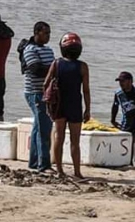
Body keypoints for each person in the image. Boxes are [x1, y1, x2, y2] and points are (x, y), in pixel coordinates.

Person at [44, 33, 90, 178]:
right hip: (75, 105)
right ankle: (77, 172)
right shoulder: (82, 67)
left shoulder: (56, 63)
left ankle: (59, 171)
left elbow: (46, 84)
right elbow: (86, 90)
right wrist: (88, 109)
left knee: (59, 137)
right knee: (75, 141)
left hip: (59, 105)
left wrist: (48, 103)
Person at [23, 22, 55, 172]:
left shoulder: (48, 50)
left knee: (38, 127)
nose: (48, 36)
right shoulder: (29, 49)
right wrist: (54, 69)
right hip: (35, 92)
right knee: (44, 129)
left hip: (46, 93)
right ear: (37, 32)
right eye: (45, 33)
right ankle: (44, 164)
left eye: (49, 33)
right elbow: (36, 69)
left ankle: (34, 162)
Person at [111, 72, 135, 137]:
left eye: (123, 81)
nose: (121, 83)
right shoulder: (119, 94)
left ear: (130, 81)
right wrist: (113, 120)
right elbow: (115, 106)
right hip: (126, 124)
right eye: (119, 81)